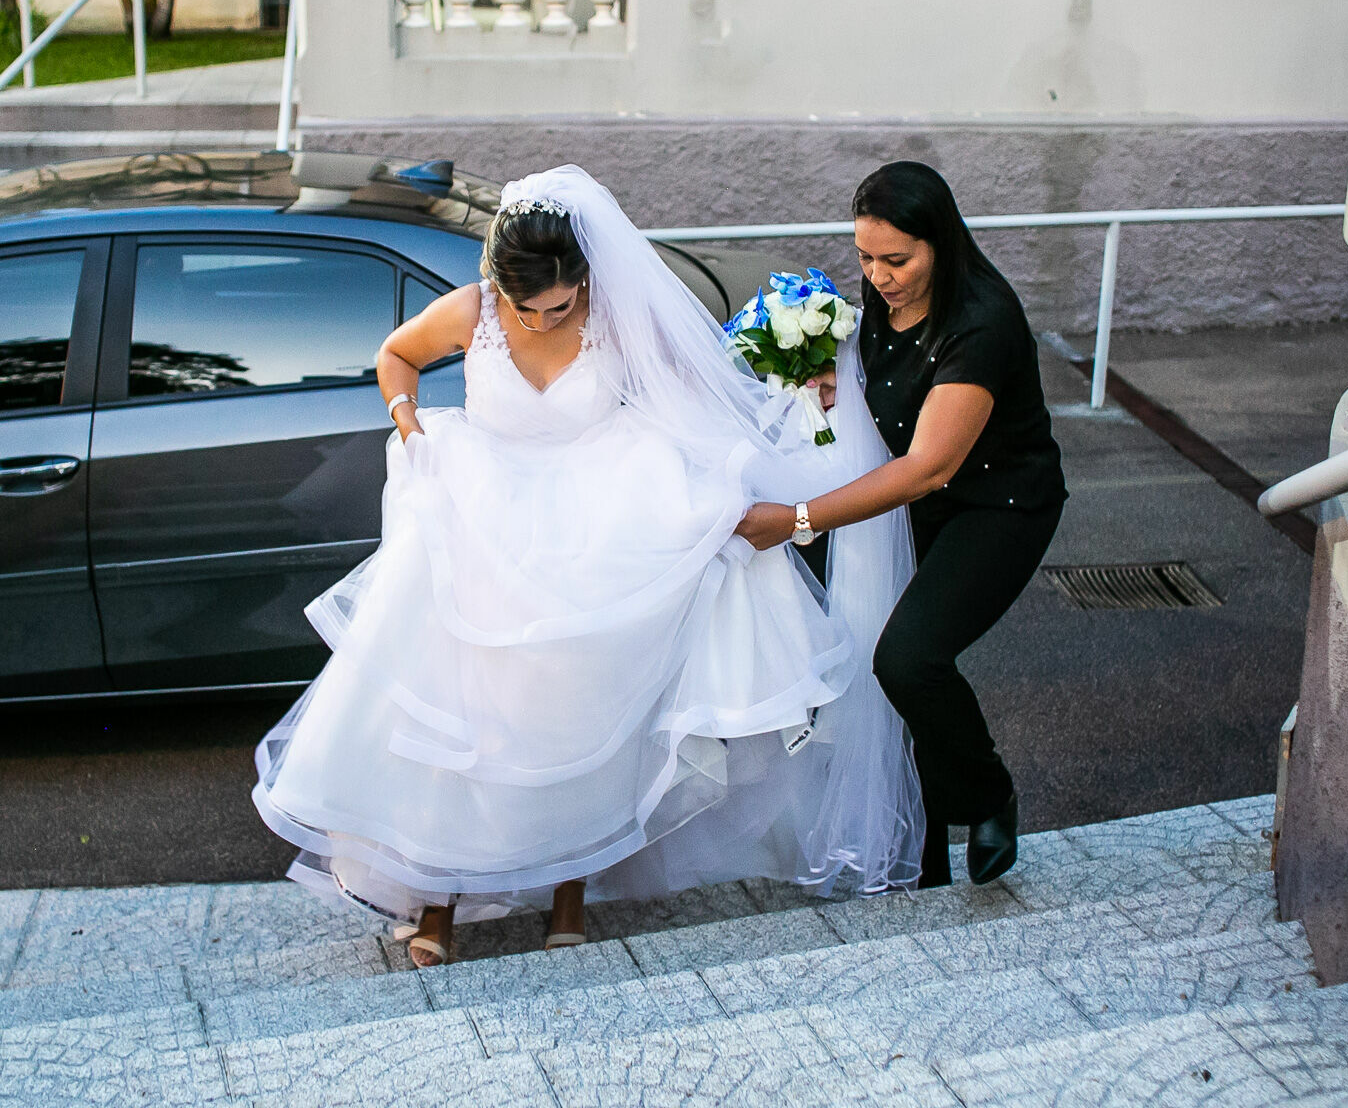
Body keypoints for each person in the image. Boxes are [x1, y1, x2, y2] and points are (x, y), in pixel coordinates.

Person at [253, 166, 922, 967]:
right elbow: (394, 357)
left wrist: (797, 386)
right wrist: (409, 424)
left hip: (596, 531)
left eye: (562, 304)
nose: (546, 318)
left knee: (578, 720)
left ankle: (570, 888)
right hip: (483, 529)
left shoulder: (615, 317)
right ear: (500, 285)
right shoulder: (471, 315)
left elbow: (706, 396)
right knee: (464, 723)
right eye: (530, 308)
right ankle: (436, 899)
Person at [737, 161, 1064, 890]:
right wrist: (826, 372)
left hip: (998, 506)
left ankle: (988, 797)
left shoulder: (982, 324)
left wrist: (795, 519)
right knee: (880, 678)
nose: (879, 276)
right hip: (919, 506)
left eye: (897, 259)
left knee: (909, 659)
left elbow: (927, 468)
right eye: (865, 257)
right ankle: (925, 861)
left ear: (940, 245)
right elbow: (872, 373)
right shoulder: (885, 297)